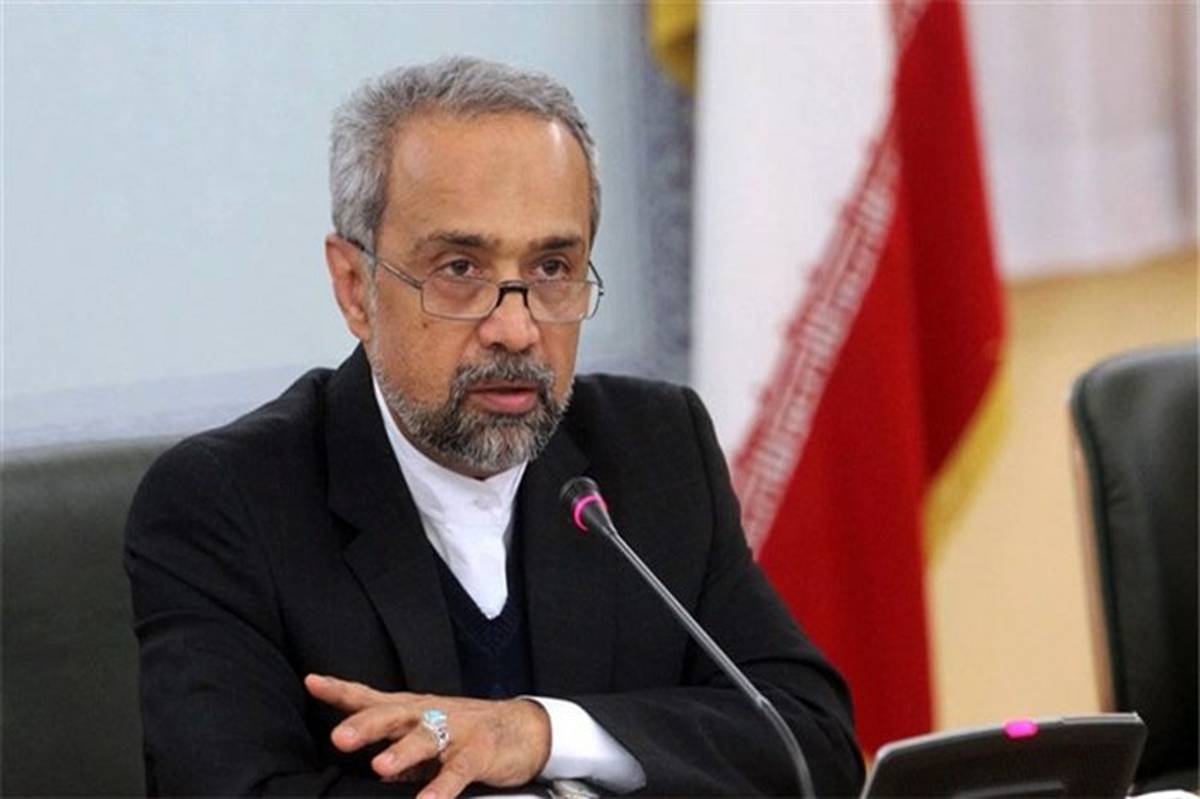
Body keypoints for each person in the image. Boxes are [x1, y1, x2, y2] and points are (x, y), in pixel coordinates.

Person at [125, 56, 864, 798]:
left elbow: (812, 747)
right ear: (354, 288)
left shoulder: (655, 451)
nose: (516, 329)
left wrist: (541, 733)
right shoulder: (230, 504)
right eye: (459, 268)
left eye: (552, 268)